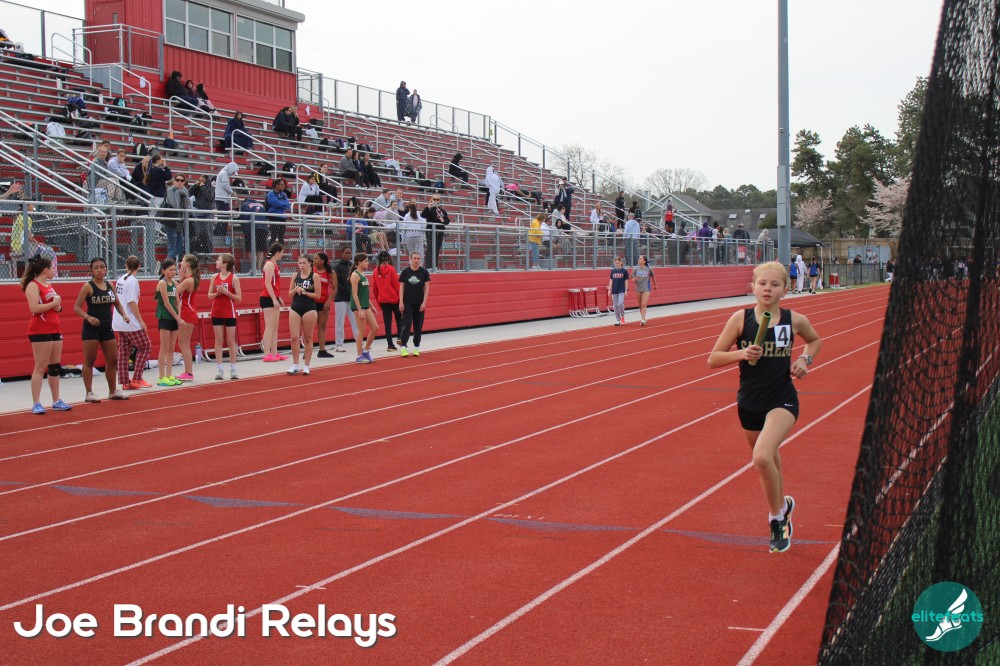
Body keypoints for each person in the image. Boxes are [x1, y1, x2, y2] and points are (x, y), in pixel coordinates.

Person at [707, 261, 822, 553]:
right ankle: (783, 506)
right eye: (762, 283)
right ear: (753, 287)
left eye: (774, 284)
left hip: (782, 398)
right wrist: (742, 354)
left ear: (785, 289)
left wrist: (805, 360)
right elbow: (713, 359)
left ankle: (776, 519)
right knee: (770, 459)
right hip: (749, 402)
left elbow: (814, 341)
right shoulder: (740, 319)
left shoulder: (794, 320)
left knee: (761, 457)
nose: (767, 289)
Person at [74, 257, 131, 402]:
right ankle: (89, 393)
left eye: (102, 267)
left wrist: (124, 315)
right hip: (91, 329)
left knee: (113, 360)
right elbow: (77, 307)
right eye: (96, 267)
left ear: (106, 269)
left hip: (106, 327)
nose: (99, 270)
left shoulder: (110, 285)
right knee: (90, 360)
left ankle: (112, 391)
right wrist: (88, 317)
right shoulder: (88, 286)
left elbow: (117, 303)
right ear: (91, 270)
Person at [22, 256, 72, 414]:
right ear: (45, 270)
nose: (54, 271)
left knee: (54, 366)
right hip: (40, 329)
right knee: (40, 366)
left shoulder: (48, 285)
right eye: (52, 268)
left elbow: (56, 307)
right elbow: (34, 308)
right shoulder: (33, 285)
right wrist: (53, 304)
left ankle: (56, 400)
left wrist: (58, 306)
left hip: (54, 328)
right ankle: (36, 402)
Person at [112, 256, 153, 390]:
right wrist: (141, 321)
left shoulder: (121, 279)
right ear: (139, 266)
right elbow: (132, 302)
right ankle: (137, 377)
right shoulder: (133, 281)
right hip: (129, 321)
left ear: (126, 265)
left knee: (124, 351)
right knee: (145, 346)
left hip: (119, 320)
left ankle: (125, 381)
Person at [207, 253, 241, 380]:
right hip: (217, 311)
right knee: (218, 340)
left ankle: (233, 368)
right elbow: (209, 295)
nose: (216, 261)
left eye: (219, 260)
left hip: (229, 312)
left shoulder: (234, 278)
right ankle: (219, 369)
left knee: (231, 341)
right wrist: (217, 293)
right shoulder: (214, 277)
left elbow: (239, 298)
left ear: (225, 263)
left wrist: (226, 292)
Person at [287, 254, 320, 375]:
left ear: (310, 263)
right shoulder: (295, 276)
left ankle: (306, 365)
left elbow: (317, 295)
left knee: (308, 338)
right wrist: (295, 289)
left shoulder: (314, 276)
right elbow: (289, 295)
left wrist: (305, 292)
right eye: (300, 263)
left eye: (304, 263)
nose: (301, 265)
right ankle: (295, 364)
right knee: (294, 337)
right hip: (295, 307)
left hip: (309, 308)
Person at [154, 259, 182, 387]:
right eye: (170, 270)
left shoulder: (174, 283)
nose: (173, 272)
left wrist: (178, 316)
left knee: (171, 348)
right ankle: (161, 377)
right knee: (164, 348)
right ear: (163, 271)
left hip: (174, 318)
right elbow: (166, 303)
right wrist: (177, 318)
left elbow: (177, 301)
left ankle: (169, 375)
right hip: (165, 317)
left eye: (174, 270)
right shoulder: (162, 283)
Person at [398, 251, 431, 357]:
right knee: (407, 324)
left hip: (419, 303)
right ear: (410, 259)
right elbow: (401, 287)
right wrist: (401, 302)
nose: (416, 260)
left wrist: (424, 302)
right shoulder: (405, 272)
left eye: (418, 258)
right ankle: (404, 347)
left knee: (418, 325)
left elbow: (427, 288)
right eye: (415, 258)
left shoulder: (424, 272)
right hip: (407, 302)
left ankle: (416, 347)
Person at [173, 254, 200, 382]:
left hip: (187, 313)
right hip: (186, 312)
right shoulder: (188, 279)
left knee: (184, 344)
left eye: (183, 261)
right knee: (183, 344)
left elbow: (174, 292)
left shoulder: (189, 280)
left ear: (187, 264)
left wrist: (179, 279)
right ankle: (187, 371)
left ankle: (189, 372)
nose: (180, 263)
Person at [12, 204, 59, 274]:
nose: (33, 206)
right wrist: (37, 243)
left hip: (16, 246)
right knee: (51, 253)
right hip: (23, 245)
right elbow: (29, 236)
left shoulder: (17, 217)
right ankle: (51, 274)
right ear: (27, 206)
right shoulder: (27, 218)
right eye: (32, 205)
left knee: (43, 251)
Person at [259, 243, 287, 362]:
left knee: (275, 327)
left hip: (273, 297)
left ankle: (274, 353)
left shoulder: (274, 264)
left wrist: (278, 297)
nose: (283, 254)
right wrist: (274, 299)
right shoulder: (270, 264)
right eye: (282, 252)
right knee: (269, 327)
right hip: (267, 298)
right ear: (277, 252)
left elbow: (275, 284)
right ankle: (266, 354)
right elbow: (267, 283)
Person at [371, 250, 402, 352]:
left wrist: (379, 301)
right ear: (388, 259)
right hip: (394, 299)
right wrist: (400, 298)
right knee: (399, 318)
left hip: (383, 300)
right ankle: (400, 337)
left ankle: (390, 345)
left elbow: (375, 289)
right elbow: (396, 285)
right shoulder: (391, 269)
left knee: (387, 323)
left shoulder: (375, 271)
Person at [350, 253, 378, 363]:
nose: (368, 263)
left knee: (375, 328)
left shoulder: (363, 274)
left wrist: (371, 306)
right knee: (361, 331)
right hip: (358, 306)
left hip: (365, 304)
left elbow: (364, 293)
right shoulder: (355, 275)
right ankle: (359, 356)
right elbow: (355, 295)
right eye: (365, 261)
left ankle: (365, 350)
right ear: (359, 262)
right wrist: (359, 310)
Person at [162, 174, 189, 262]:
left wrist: (184, 193)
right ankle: (165, 265)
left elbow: (187, 205)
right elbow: (174, 205)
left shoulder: (185, 190)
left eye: (182, 180)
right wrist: (178, 193)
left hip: (179, 221)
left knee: (180, 247)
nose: (179, 182)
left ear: (184, 182)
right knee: (172, 246)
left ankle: (166, 264)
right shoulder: (170, 190)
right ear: (174, 181)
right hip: (170, 220)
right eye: (177, 180)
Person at [312, 252, 335, 358]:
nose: (314, 260)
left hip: (323, 302)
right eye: (313, 258)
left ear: (322, 261)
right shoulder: (311, 270)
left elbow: (335, 288)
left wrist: (328, 301)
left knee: (322, 326)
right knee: (309, 327)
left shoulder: (330, 272)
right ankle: (308, 350)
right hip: (312, 301)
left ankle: (322, 350)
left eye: (316, 259)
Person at [332, 246, 354, 353]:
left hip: (351, 298)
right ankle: (339, 344)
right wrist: (346, 290)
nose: (349, 255)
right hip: (341, 298)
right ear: (342, 254)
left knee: (355, 321)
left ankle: (359, 341)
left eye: (350, 253)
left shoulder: (352, 266)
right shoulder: (337, 267)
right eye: (346, 253)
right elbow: (336, 283)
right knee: (340, 322)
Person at [422, 194, 450, 270]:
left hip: (439, 232)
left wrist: (443, 221)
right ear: (431, 199)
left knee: (437, 249)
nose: (436, 201)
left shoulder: (442, 210)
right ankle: (428, 266)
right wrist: (428, 207)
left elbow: (447, 221)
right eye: (434, 199)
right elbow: (423, 215)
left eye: (437, 199)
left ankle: (435, 266)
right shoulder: (429, 208)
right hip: (431, 232)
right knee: (430, 249)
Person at [188, 175, 215, 253]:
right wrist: (196, 185)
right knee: (198, 232)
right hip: (198, 211)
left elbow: (208, 197)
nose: (201, 181)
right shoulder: (197, 187)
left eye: (202, 180)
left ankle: (210, 250)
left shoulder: (211, 187)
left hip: (207, 212)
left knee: (209, 232)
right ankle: (199, 248)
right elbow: (189, 193)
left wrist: (203, 187)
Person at [632, 255, 657, 326]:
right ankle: (643, 318)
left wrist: (655, 285)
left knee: (643, 304)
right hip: (638, 288)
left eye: (640, 258)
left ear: (644, 261)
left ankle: (643, 319)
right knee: (640, 304)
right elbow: (632, 279)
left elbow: (653, 277)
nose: (639, 259)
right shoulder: (635, 269)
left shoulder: (649, 269)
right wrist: (635, 279)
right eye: (639, 258)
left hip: (646, 288)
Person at [265, 178, 291, 245]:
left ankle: (281, 250)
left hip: (282, 216)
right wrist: (282, 204)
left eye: (283, 185)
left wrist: (281, 204)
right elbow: (275, 203)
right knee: (274, 235)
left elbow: (287, 205)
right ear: (276, 185)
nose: (283, 186)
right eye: (282, 185)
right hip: (273, 216)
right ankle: (271, 250)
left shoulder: (283, 194)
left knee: (281, 236)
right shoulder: (270, 194)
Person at [608, 257, 629, 326]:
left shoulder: (624, 271)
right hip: (614, 290)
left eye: (618, 263)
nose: (617, 264)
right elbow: (611, 281)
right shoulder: (613, 271)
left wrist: (626, 289)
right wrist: (609, 289)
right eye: (616, 263)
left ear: (621, 263)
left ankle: (622, 316)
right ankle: (618, 319)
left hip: (621, 289)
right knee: (615, 305)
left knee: (620, 303)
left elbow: (626, 281)